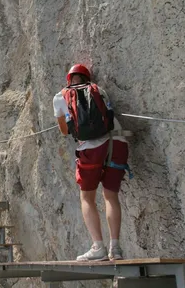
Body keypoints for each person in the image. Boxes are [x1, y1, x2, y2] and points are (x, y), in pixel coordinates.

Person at [53, 64, 130, 261]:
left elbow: (64, 131)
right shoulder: (99, 90)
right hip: (118, 143)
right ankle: (116, 248)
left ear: (69, 79)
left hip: (91, 149)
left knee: (87, 197)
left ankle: (98, 247)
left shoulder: (61, 96)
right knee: (111, 196)